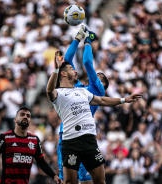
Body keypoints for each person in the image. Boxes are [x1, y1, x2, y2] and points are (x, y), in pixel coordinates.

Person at [46, 50, 142, 184]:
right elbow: (49, 91)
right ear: (63, 73)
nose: (75, 71)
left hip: (90, 141)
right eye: (71, 69)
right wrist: (55, 69)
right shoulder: (59, 93)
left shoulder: (82, 91)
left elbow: (102, 101)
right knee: (70, 182)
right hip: (71, 142)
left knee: (100, 181)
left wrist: (124, 99)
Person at [58, 26, 109, 184]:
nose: (96, 75)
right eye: (97, 74)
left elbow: (87, 61)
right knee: (67, 181)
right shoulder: (79, 87)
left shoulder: (98, 90)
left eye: (100, 76)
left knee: (87, 182)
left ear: (103, 85)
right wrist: (77, 39)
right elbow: (66, 62)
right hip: (66, 136)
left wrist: (88, 41)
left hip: (83, 138)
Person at [0, 106, 62, 184]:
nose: (25, 117)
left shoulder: (35, 140)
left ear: (30, 121)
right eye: (22, 114)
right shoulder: (4, 138)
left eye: (28, 116)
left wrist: (54, 176)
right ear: (15, 119)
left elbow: (41, 162)